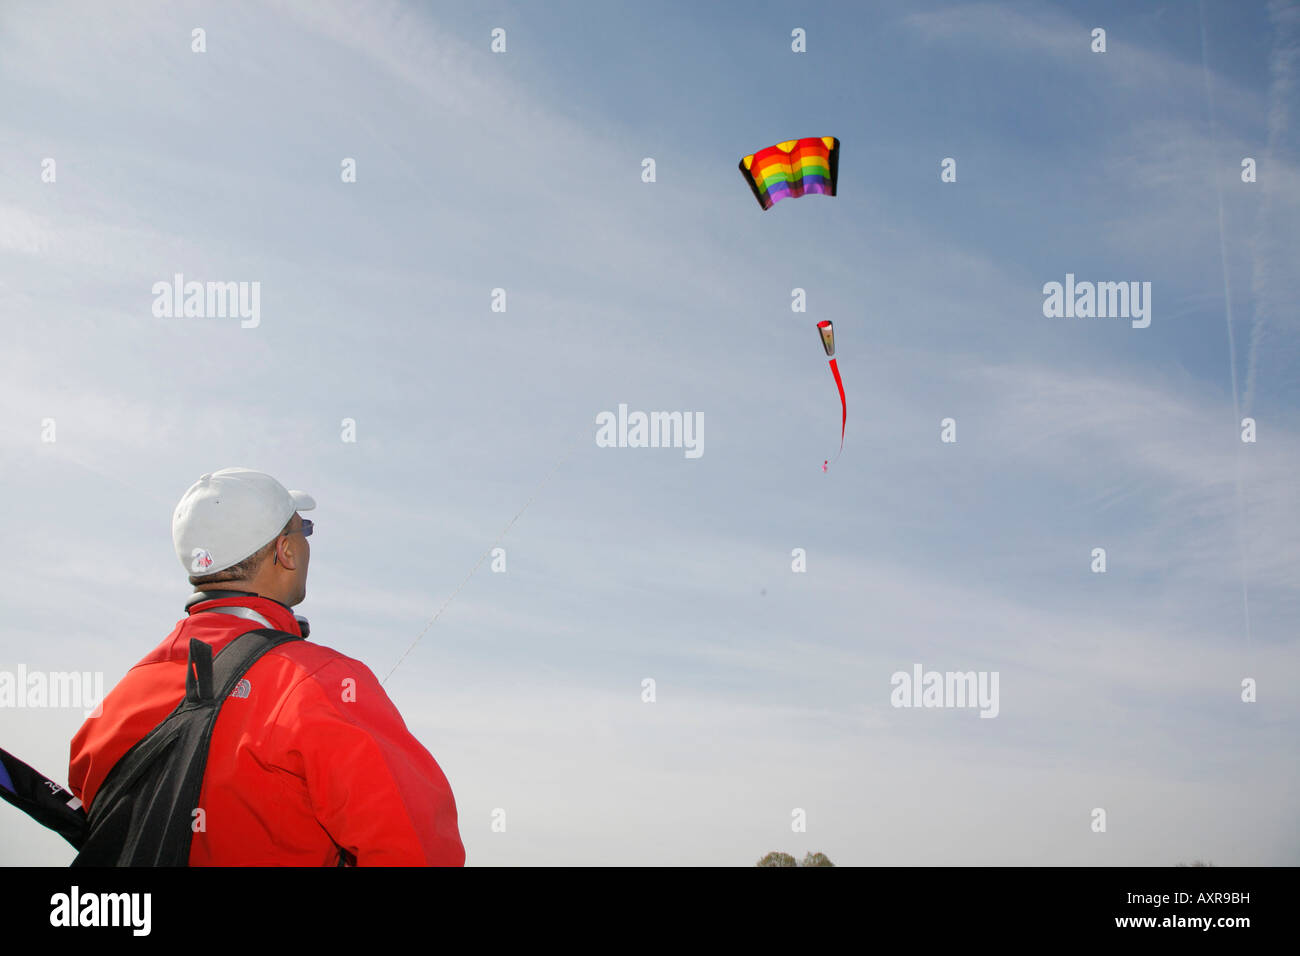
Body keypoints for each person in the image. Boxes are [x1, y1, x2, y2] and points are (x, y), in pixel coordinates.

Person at [67, 467, 464, 866]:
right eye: (303, 530)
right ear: (285, 551)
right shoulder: (323, 681)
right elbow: (418, 851)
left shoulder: (115, 705)